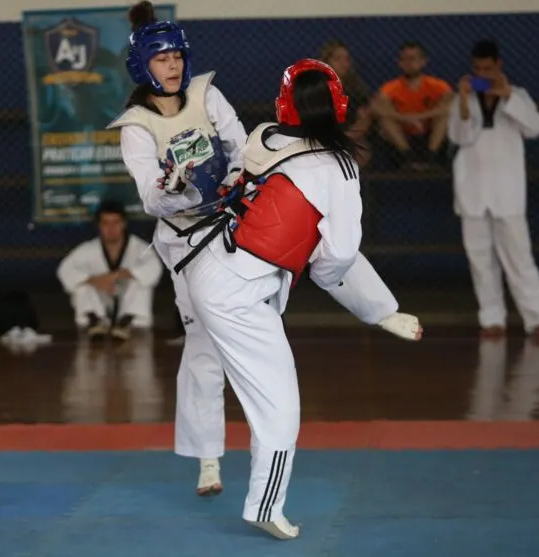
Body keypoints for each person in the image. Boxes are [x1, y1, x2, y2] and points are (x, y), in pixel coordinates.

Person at [172, 59, 366, 539]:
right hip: (237, 293)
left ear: (285, 104)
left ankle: (223, 469)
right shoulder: (339, 168)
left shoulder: (263, 135)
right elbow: (340, 254)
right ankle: (265, 505)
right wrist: (317, 267)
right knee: (279, 406)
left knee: (233, 375)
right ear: (340, 106)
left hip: (206, 265)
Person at [107, 0, 248, 496]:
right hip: (186, 243)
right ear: (143, 67)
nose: (173, 67)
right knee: (205, 347)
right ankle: (209, 460)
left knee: (260, 341)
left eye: (177, 58)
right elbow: (150, 197)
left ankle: (274, 442)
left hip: (235, 228)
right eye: (162, 60)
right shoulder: (135, 126)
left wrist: (233, 179)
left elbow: (241, 146)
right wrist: (172, 185)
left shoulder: (207, 94)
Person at [448, 39, 539, 344]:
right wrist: (463, 100)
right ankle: (492, 318)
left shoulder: (520, 96)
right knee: (480, 259)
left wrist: (508, 95)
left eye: (488, 68)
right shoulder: (465, 97)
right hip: (473, 190)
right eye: (478, 69)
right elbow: (458, 135)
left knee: (519, 258)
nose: (483, 73)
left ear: (499, 65)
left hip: (507, 191)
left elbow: (535, 128)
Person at [56, 200, 163, 341]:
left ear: (123, 224)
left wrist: (121, 274)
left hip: (128, 301)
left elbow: (154, 268)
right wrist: (94, 280)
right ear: (99, 226)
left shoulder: (139, 247)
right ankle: (94, 321)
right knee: (82, 286)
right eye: (105, 223)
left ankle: (126, 322)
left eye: (115, 223)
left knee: (140, 282)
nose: (111, 228)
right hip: (101, 301)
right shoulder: (88, 249)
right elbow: (65, 270)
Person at [374, 41, 453, 169]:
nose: (408, 63)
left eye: (413, 59)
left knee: (444, 118)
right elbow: (378, 109)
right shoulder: (390, 87)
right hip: (403, 134)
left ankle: (430, 156)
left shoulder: (437, 85)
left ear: (423, 61)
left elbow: (449, 105)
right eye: (404, 59)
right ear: (399, 63)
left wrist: (420, 117)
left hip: (429, 132)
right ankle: (408, 156)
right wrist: (407, 119)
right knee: (385, 120)